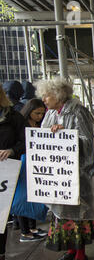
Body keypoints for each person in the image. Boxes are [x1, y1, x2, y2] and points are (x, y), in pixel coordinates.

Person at [36, 77, 94, 260]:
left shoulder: (78, 111)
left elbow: (88, 141)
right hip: (60, 175)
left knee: (76, 217)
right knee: (63, 216)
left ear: (58, 94)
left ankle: (81, 256)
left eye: (47, 95)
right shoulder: (51, 113)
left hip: (77, 176)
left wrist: (65, 135)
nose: (44, 99)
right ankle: (71, 252)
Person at [0, 85, 25, 260]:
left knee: (0, 220)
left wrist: (12, 151)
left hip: (5, 172)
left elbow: (25, 140)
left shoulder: (13, 117)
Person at [14, 99, 48, 242]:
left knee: (36, 194)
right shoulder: (20, 125)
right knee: (23, 196)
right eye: (37, 113)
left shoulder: (41, 124)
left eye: (42, 113)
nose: (39, 116)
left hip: (37, 162)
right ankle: (25, 231)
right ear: (29, 111)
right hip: (24, 162)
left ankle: (32, 228)